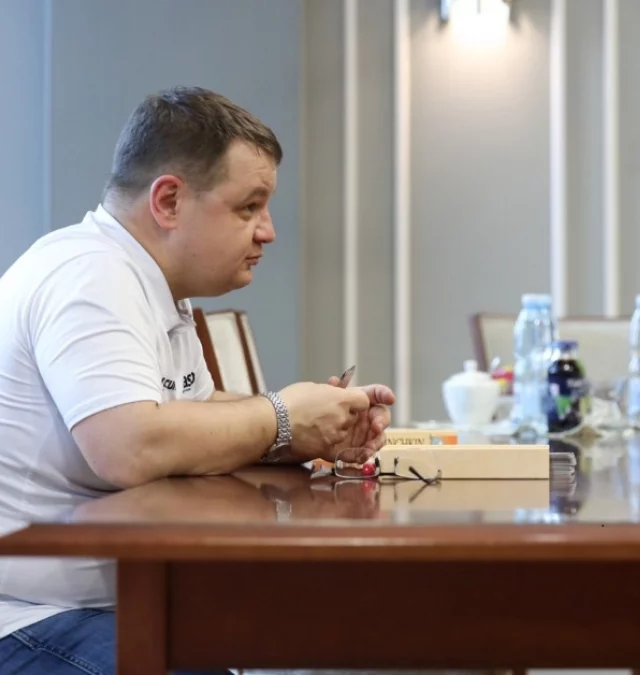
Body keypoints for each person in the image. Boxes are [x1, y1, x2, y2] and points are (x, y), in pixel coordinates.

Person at [0, 87, 394, 674]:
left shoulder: (152, 285)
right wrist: (283, 416)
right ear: (168, 201)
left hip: (110, 601)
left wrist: (311, 429)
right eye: (249, 207)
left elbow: (197, 412)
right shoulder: (90, 274)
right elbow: (129, 446)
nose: (268, 232)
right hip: (30, 617)